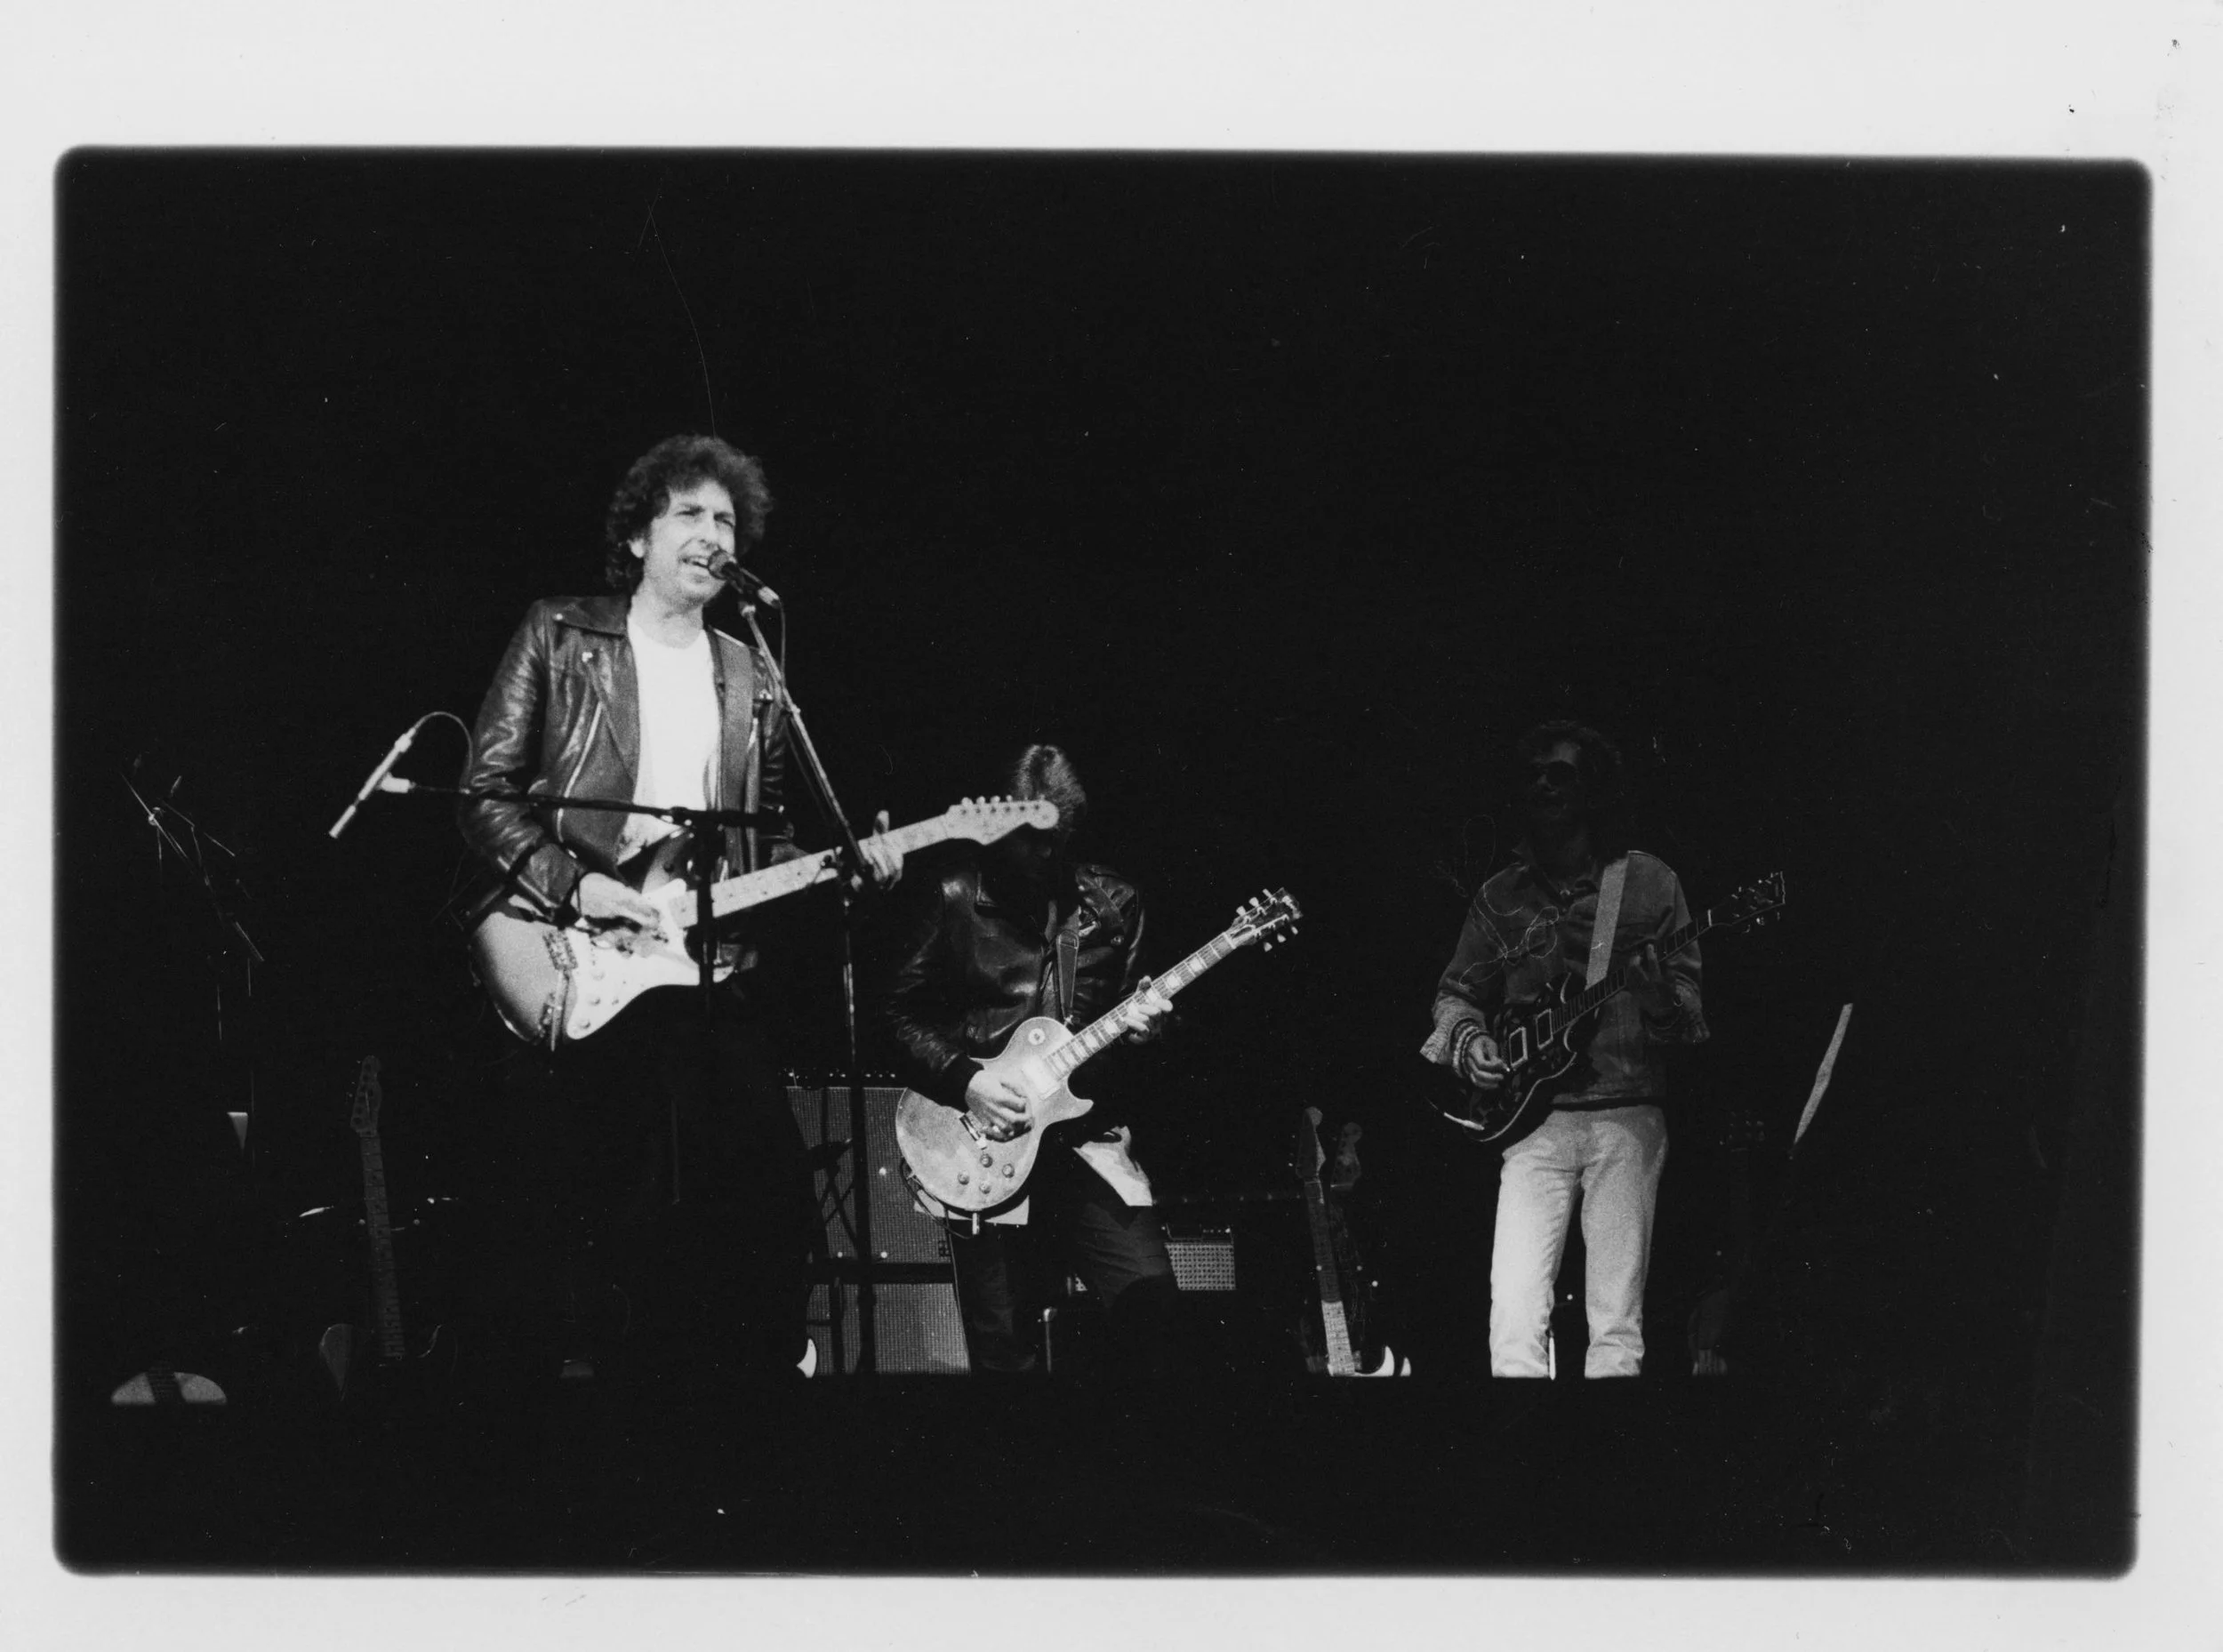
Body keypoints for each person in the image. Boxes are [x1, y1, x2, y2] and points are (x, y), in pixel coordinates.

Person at [454, 433, 897, 1413]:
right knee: (618, 1173)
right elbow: (484, 792)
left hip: (685, 951)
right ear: (638, 536)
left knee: (767, 1176)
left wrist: (844, 865)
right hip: (565, 933)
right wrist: (576, 886)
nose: (714, 534)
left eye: (727, 520)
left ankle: (746, 1387)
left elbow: (758, 843)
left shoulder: (749, 673)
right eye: (690, 514)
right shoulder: (561, 632)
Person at [1421, 720, 1707, 1378]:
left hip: (1626, 1109)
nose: (1545, 786)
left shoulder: (1648, 882)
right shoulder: (1500, 896)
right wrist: (1471, 1041)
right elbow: (1455, 994)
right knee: (1513, 1308)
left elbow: (1690, 1015)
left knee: (1615, 1318)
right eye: (1534, 775)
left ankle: (1611, 1436)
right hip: (1532, 1120)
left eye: (1563, 774)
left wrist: (1658, 999)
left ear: (1593, 790)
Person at [883, 743, 1177, 1380]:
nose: (1040, 855)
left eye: (1054, 840)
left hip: (1083, 1142)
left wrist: (1145, 1034)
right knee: (1005, 1357)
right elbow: (895, 1017)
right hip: (985, 1148)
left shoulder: (1113, 904)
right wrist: (968, 1081)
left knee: (1152, 1313)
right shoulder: (955, 895)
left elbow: (1139, 1039)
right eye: (1026, 838)